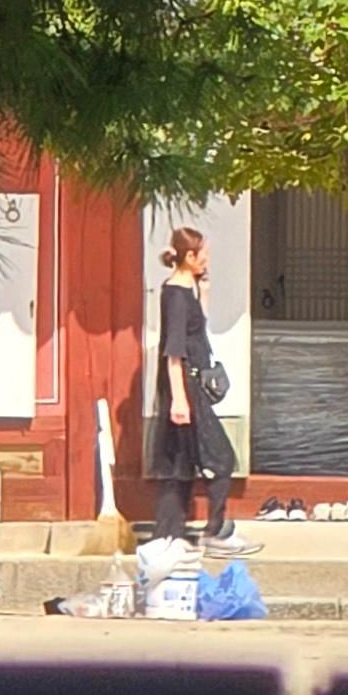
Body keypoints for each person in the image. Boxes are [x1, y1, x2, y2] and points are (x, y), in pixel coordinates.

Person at [147, 226, 248, 551]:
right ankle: (214, 531)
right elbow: (174, 351)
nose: (207, 260)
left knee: (180, 462)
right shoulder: (176, 295)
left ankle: (168, 534)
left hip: (189, 384)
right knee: (220, 457)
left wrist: (203, 293)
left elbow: (195, 331)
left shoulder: (184, 288)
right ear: (189, 256)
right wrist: (179, 399)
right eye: (203, 255)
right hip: (185, 386)